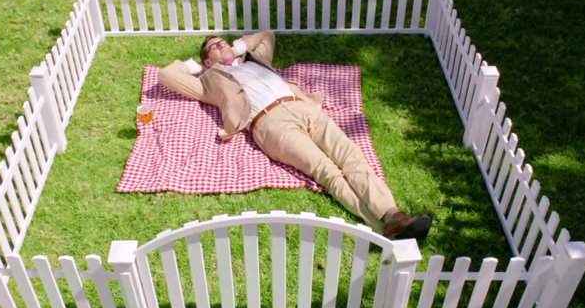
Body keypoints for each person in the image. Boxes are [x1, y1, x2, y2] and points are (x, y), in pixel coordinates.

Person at [158, 30, 433, 240]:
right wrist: (198, 67)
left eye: (224, 41)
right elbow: (167, 75)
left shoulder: (254, 59)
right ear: (208, 59)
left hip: (302, 106)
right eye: (214, 47)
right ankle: (384, 226)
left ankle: (393, 215)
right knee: (326, 170)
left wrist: (238, 47)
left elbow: (266, 35)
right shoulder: (209, 81)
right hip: (270, 124)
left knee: (350, 155)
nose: (222, 46)